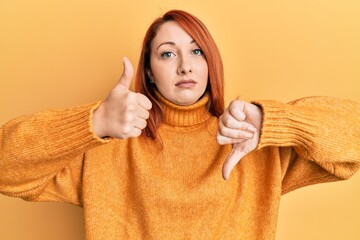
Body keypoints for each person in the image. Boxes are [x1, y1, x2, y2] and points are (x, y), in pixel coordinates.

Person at [0, 9, 359, 240]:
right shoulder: (107, 148)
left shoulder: (248, 138)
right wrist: (94, 122)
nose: (185, 65)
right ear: (150, 74)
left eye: (197, 51)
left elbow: (354, 142)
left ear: (209, 64)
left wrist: (277, 122)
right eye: (168, 53)